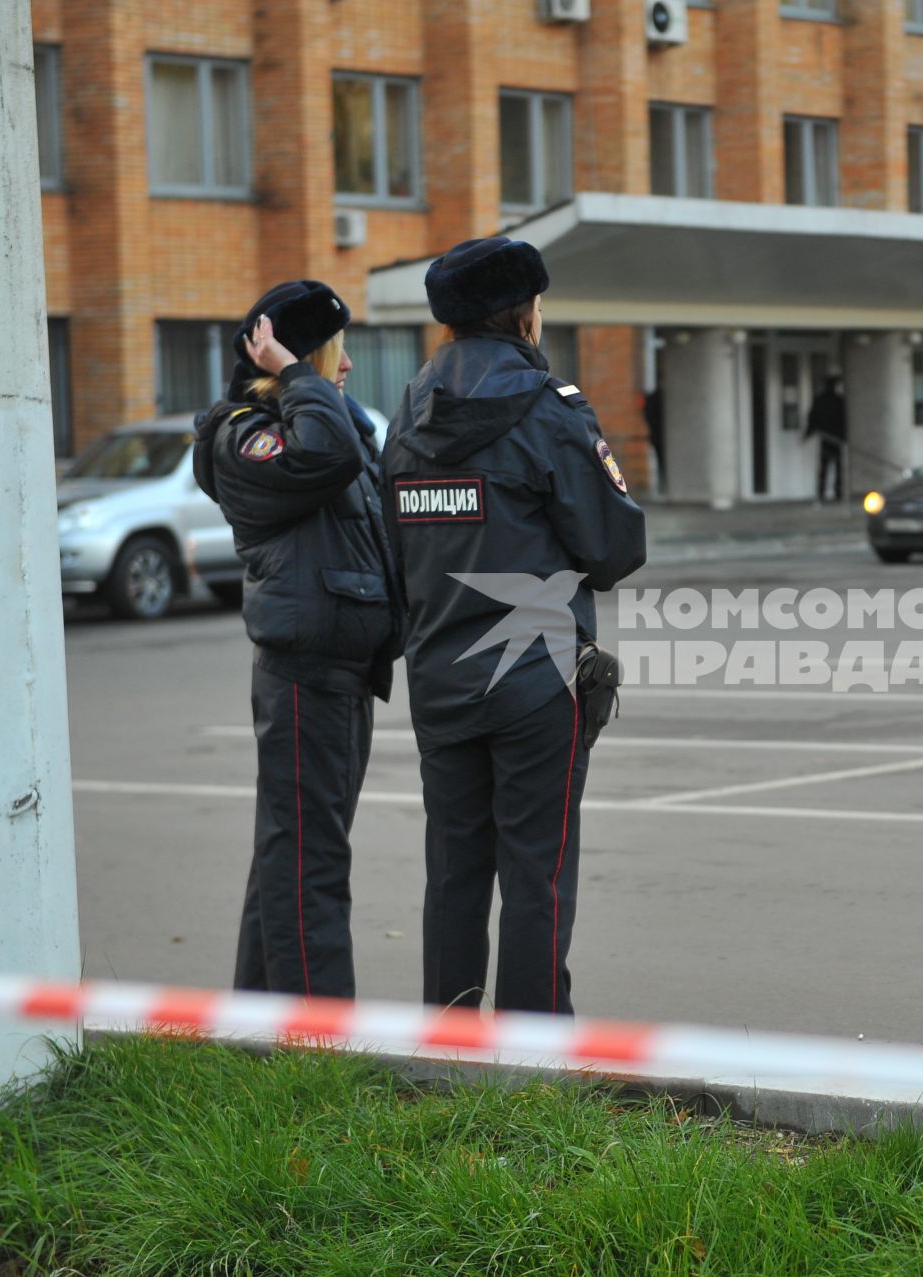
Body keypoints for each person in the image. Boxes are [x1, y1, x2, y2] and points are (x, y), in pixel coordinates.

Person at [382, 237, 646, 1014]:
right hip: (536, 682)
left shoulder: (406, 417)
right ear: (527, 316)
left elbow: (395, 551)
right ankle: (533, 1058)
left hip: (438, 677)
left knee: (454, 874)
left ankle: (452, 1049)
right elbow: (614, 549)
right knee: (537, 874)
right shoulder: (549, 411)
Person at [192, 280, 402, 1000]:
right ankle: (320, 1040)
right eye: (331, 355)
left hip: (343, 670)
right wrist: (299, 375)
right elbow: (323, 458)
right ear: (289, 358)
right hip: (304, 673)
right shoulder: (245, 433)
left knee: (290, 853)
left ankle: (255, 1023)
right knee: (308, 862)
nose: (342, 371)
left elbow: (354, 461)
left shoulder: (317, 417)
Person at [803, 375, 847, 502]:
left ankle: (823, 493)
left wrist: (808, 433)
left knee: (826, 466)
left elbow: (813, 418)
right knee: (835, 466)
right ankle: (836, 492)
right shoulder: (837, 400)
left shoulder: (822, 400)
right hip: (835, 437)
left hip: (828, 437)